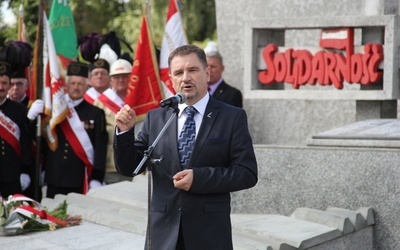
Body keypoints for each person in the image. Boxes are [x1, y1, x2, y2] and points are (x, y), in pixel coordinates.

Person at [113, 45, 258, 250]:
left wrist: (199, 178)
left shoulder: (231, 117)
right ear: (171, 79)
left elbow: (247, 173)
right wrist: (124, 132)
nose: (185, 78)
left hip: (209, 234)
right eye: (179, 73)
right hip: (163, 234)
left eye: (193, 70)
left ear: (207, 73)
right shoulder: (157, 118)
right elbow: (130, 167)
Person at [28, 62, 108, 198]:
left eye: (80, 84)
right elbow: (37, 138)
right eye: (73, 83)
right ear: (66, 86)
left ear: (86, 86)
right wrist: (30, 118)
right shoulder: (55, 109)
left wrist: (97, 177)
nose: (76, 87)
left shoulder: (96, 113)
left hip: (79, 177)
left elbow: (100, 148)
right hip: (54, 175)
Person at [93, 58, 133, 184]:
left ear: (131, 77)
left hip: (135, 164)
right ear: (110, 80)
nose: (120, 80)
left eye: (124, 76)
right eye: (116, 77)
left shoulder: (139, 101)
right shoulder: (101, 102)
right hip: (110, 166)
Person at [0, 61, 32, 198]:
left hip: (11, 174)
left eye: (5, 83)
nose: (1, 87)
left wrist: (25, 170)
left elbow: (25, 142)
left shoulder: (19, 109)